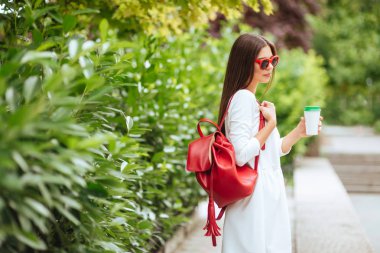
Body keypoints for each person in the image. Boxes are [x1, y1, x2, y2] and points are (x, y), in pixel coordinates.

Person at [218, 34, 323, 253]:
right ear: (245, 63)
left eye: (273, 61)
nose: (270, 67)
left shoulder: (251, 101)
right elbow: (240, 154)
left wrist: (299, 132)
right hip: (253, 201)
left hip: (264, 196)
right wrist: (271, 124)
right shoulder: (242, 99)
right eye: (263, 62)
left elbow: (271, 152)